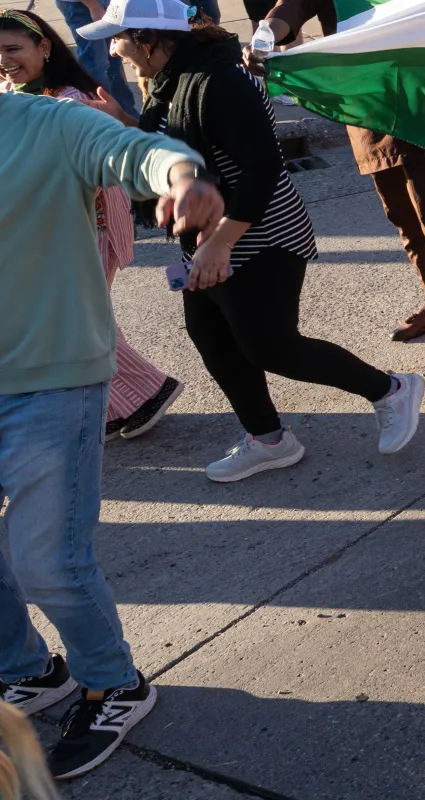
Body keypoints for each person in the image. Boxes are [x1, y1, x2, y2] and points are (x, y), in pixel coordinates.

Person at [83, 0, 425, 482]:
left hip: (259, 234)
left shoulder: (218, 81)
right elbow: (178, 144)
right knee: (213, 338)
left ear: (148, 39)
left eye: (118, 38)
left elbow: (263, 170)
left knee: (271, 346)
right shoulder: (174, 77)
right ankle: (269, 439)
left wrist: (221, 243)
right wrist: (124, 122)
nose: (113, 49)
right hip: (207, 235)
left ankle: (390, 389)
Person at [3, 65, 222, 779]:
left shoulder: (45, 123)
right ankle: (28, 670)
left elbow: (142, 154)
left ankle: (114, 682)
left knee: (48, 562)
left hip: (51, 377)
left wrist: (184, 180)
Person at [251, 0, 425, 368]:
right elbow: (295, 6)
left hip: (409, 87)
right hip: (362, 97)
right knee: (398, 210)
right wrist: (264, 36)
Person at [1, 9, 186, 442]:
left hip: (88, 228)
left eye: (14, 49)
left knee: (77, 319)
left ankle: (145, 393)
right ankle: (133, 401)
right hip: (42, 233)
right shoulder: (11, 92)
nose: (6, 60)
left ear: (44, 47)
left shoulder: (70, 101)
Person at [52, 0, 137, 117]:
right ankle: (105, 116)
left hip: (102, 5)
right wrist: (94, 7)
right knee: (96, 65)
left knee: (113, 61)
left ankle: (126, 112)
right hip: (84, 6)